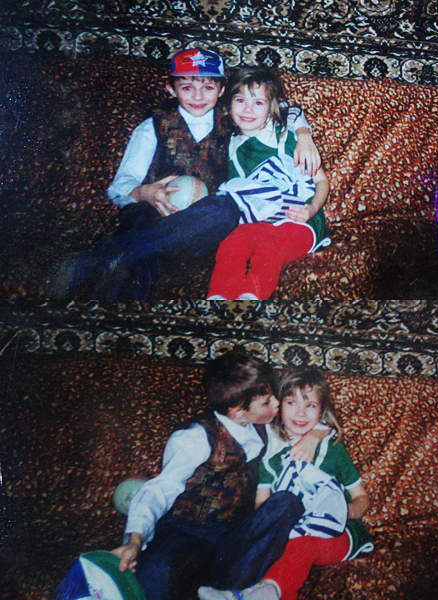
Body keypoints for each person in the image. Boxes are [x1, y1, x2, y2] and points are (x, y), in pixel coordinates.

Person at [51, 48, 320, 301]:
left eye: (208, 87)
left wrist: (303, 134)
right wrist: (143, 192)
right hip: (153, 214)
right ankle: (114, 295)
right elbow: (120, 185)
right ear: (171, 89)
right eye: (187, 87)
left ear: (221, 91)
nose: (198, 96)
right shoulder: (152, 126)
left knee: (226, 210)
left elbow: (281, 108)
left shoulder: (234, 119)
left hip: (201, 226)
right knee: (140, 251)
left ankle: (104, 256)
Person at [110, 352, 328, 600]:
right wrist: (135, 539)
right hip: (185, 533)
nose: (277, 404)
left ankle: (228, 591)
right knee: (155, 571)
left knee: (287, 503)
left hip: (232, 540)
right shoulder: (195, 438)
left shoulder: (264, 427)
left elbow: (321, 422)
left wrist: (314, 437)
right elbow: (159, 489)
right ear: (238, 411)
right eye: (267, 402)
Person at [198, 366, 374, 600]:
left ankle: (258, 594)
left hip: (334, 535)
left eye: (310, 405)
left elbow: (362, 498)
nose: (300, 413)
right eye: (291, 403)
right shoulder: (270, 456)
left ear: (322, 411)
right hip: (288, 533)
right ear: (279, 406)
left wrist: (345, 511)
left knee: (302, 545)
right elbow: (262, 507)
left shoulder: (333, 450)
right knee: (276, 549)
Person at [206, 67, 331, 301]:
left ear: (271, 106)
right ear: (228, 105)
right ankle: (219, 297)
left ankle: (251, 298)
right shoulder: (230, 147)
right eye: (240, 100)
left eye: (258, 103)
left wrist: (312, 208)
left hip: (299, 221)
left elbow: (322, 180)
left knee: (270, 247)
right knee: (231, 243)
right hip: (258, 221)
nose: (248, 109)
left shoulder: (288, 136)